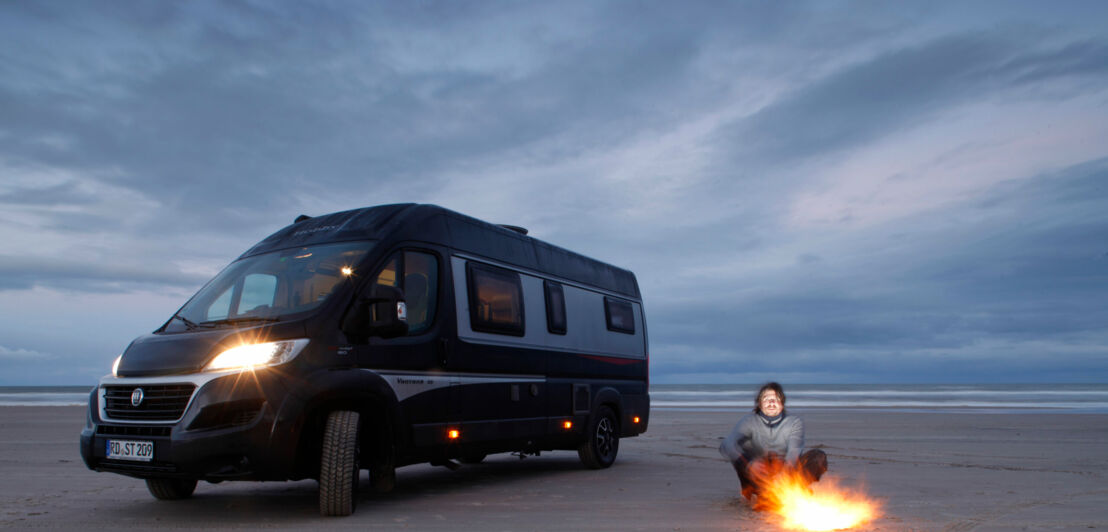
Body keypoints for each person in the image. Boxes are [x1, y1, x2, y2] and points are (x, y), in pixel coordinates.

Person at [719, 382, 827, 504]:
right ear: (759, 403)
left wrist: (784, 473)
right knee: (741, 452)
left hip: (785, 477)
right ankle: (760, 494)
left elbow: (794, 450)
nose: (771, 403)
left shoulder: (794, 423)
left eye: (776, 399)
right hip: (758, 475)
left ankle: (793, 492)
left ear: (782, 402)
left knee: (818, 456)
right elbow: (726, 445)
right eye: (766, 399)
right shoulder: (749, 422)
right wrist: (750, 465)